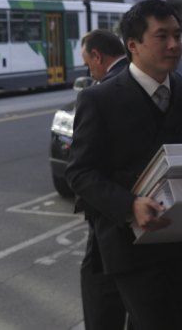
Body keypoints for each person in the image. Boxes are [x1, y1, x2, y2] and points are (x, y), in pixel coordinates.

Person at [67, 0, 182, 330]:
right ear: (133, 45)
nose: (174, 44)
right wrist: (130, 206)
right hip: (129, 250)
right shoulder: (99, 99)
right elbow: (80, 171)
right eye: (162, 36)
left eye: (177, 34)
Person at [77, 29, 131, 330]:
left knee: (103, 304)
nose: (90, 71)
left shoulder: (99, 93)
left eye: (88, 63)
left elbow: (80, 169)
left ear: (98, 57)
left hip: (110, 225)